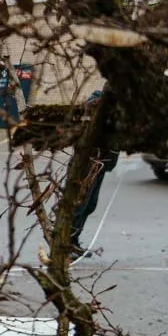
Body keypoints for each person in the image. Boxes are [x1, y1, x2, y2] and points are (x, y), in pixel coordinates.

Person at [70, 90, 119, 259]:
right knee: (78, 204)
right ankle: (65, 245)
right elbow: (89, 108)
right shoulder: (98, 98)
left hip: (101, 164)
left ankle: (73, 241)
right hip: (87, 162)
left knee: (90, 205)